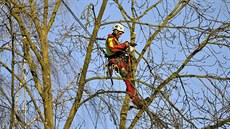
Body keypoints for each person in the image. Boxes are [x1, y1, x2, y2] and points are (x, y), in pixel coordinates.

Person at [105, 23, 143, 109]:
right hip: (118, 64)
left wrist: (128, 46)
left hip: (122, 62)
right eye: (119, 33)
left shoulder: (115, 40)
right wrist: (124, 45)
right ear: (115, 31)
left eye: (121, 33)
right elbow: (113, 48)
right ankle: (136, 102)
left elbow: (118, 48)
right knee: (128, 82)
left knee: (131, 81)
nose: (120, 35)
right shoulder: (110, 39)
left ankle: (138, 100)